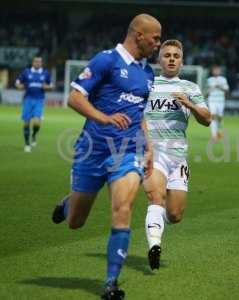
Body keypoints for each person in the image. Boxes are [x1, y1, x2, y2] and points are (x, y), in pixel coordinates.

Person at [51, 14, 161, 300]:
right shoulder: (106, 60)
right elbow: (75, 97)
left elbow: (140, 115)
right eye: (155, 38)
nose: (158, 44)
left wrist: (149, 147)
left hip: (127, 152)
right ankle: (68, 204)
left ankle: (110, 284)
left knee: (123, 207)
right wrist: (104, 118)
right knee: (76, 221)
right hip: (92, 149)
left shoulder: (148, 73)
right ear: (139, 35)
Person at [143, 39, 211, 270]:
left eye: (176, 56)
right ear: (159, 59)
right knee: (156, 197)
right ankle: (154, 245)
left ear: (181, 62)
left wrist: (190, 105)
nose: (171, 59)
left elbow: (207, 119)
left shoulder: (191, 88)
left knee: (175, 214)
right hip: (154, 153)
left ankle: (157, 226)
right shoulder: (148, 84)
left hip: (178, 156)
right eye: (167, 55)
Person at [15, 56, 52, 152]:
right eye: (36, 61)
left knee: (36, 123)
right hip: (27, 99)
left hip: (39, 100)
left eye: (39, 62)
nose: (37, 63)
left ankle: (34, 135)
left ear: (41, 63)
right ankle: (27, 144)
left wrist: (46, 87)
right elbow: (18, 83)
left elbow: (51, 86)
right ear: (32, 62)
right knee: (26, 122)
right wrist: (19, 86)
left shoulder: (45, 73)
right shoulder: (26, 72)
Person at [206, 65, 229, 141]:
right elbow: (207, 91)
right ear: (212, 71)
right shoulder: (209, 80)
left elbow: (226, 90)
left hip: (220, 100)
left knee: (219, 118)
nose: (216, 72)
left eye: (217, 70)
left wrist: (219, 86)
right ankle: (213, 135)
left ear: (220, 71)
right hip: (212, 100)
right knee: (212, 117)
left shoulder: (223, 79)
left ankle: (219, 132)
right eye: (214, 70)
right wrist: (210, 90)